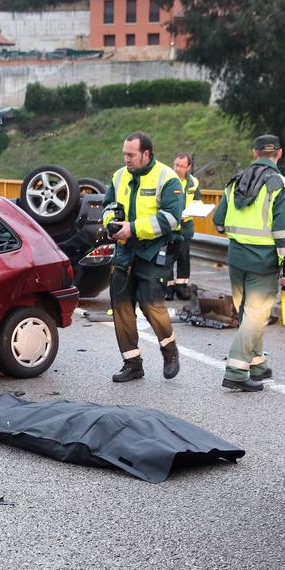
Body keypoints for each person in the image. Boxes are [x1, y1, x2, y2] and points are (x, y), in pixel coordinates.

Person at [213, 134, 285, 391]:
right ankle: (237, 372)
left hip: (236, 258)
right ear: (279, 154)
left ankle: (257, 364)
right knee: (255, 317)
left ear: (254, 153)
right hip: (263, 262)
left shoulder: (235, 181)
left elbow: (219, 221)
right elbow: (284, 231)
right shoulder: (280, 184)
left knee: (247, 314)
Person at [101, 131, 186, 382]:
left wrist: (134, 228)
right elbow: (107, 206)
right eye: (124, 154)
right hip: (125, 251)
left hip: (153, 251)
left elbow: (171, 218)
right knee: (121, 307)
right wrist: (111, 225)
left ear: (146, 154)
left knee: (151, 305)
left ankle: (169, 352)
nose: (126, 159)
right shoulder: (119, 176)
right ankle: (132, 363)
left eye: (131, 155)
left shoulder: (167, 178)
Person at [164, 152, 200, 300]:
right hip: (170, 227)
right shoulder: (168, 180)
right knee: (168, 259)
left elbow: (197, 201)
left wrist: (197, 209)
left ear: (189, 167)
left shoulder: (194, 182)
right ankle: (169, 289)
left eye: (181, 166)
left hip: (185, 227)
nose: (178, 169)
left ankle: (182, 288)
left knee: (184, 259)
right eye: (176, 165)